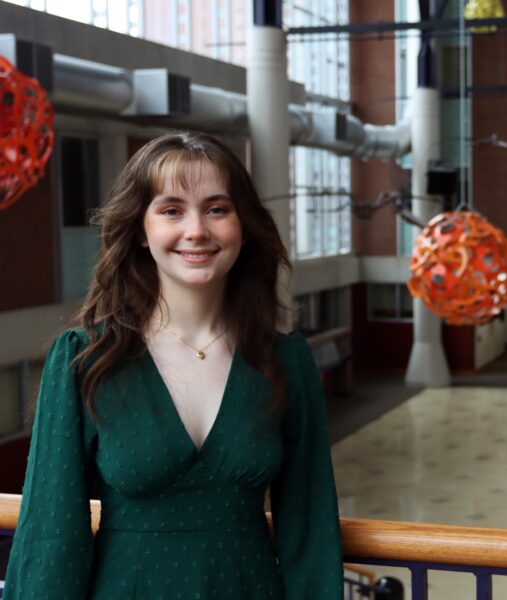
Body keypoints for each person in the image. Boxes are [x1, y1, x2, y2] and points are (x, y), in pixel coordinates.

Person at [4, 132, 344, 599]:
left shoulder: (285, 361)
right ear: (140, 231)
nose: (197, 230)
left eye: (217, 209)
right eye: (171, 210)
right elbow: (51, 533)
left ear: (243, 226)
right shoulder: (85, 360)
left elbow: (311, 530)